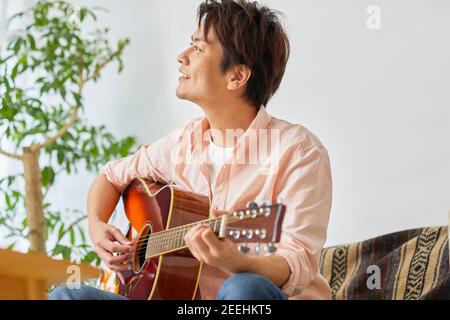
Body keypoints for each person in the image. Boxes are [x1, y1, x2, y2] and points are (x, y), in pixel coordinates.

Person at [50, 0, 332, 300]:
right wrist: (97, 227)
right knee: (67, 296)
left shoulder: (299, 151)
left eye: (198, 48)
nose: (181, 57)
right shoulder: (182, 143)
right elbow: (110, 177)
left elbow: (297, 261)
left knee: (244, 289)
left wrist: (238, 262)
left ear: (236, 76)